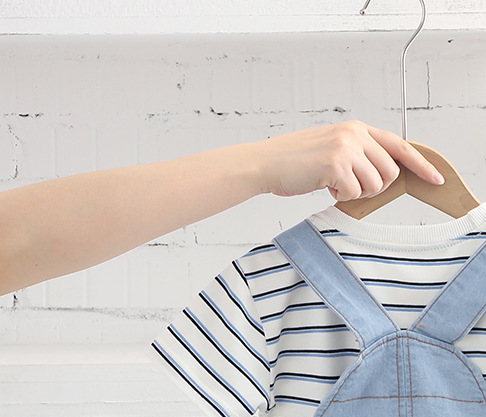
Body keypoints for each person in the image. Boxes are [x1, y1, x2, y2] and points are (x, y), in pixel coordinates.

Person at [0, 120, 445, 297]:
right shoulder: (281, 279)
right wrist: (262, 164)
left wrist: (262, 164)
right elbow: (18, 243)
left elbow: (20, 243)